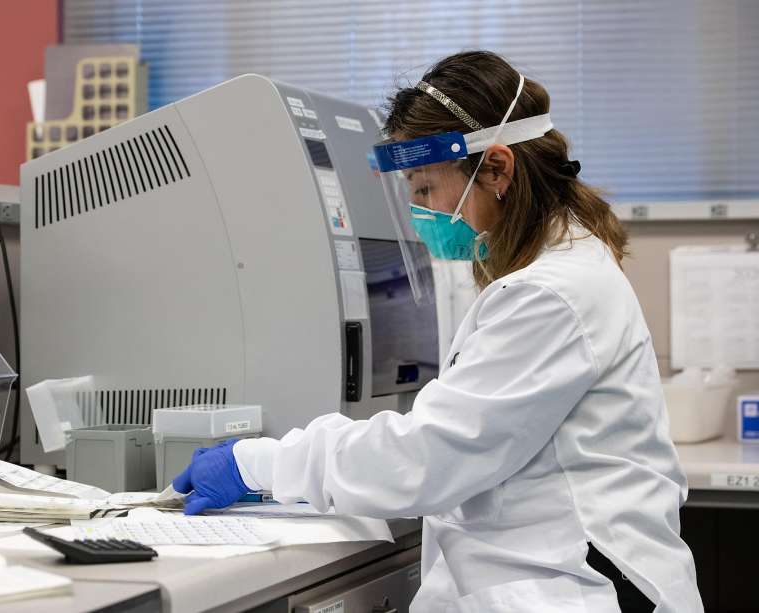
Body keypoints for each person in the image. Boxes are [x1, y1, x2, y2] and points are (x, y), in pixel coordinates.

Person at [172, 51, 703, 613]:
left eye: (425, 190)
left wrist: (258, 464)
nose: (419, 211)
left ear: (496, 169)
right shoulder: (551, 270)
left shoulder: (551, 294)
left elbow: (428, 456)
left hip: (574, 590)